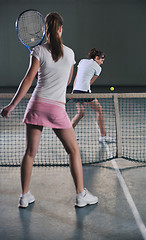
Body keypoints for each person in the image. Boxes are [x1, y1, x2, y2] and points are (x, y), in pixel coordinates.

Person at [1, 12, 98, 208]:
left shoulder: (37, 51)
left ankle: (24, 196)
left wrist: (12, 105)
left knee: (30, 152)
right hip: (56, 109)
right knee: (73, 151)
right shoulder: (70, 54)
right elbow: (68, 81)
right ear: (60, 29)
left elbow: (28, 81)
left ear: (45, 29)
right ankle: (80, 195)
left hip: (36, 105)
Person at [71, 48, 115, 144]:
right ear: (96, 58)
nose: (102, 62)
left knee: (81, 113)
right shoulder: (98, 68)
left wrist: (73, 91)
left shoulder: (82, 61)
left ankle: (69, 133)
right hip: (85, 92)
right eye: (101, 60)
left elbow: (77, 77)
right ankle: (103, 136)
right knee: (99, 110)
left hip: (76, 91)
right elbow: (89, 82)